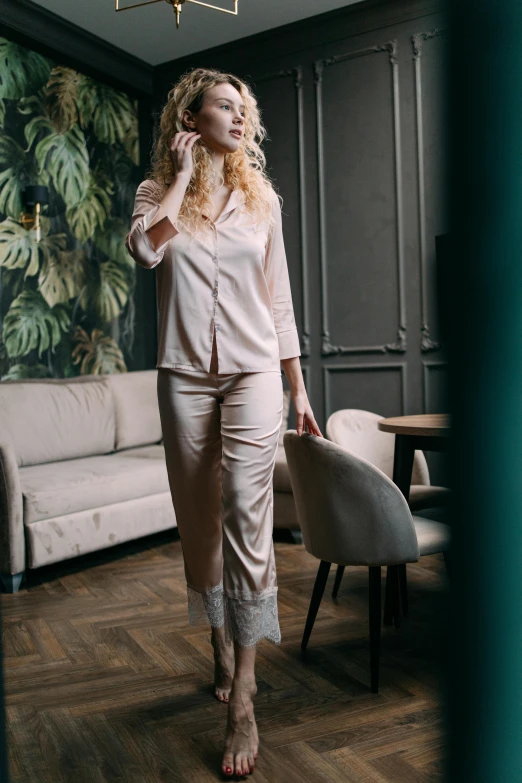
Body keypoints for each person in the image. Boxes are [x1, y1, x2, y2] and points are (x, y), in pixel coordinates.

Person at [126, 67, 322, 778]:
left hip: (252, 375)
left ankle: (243, 690)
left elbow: (280, 304)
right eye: (226, 107)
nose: (240, 119)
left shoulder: (259, 199)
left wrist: (298, 389)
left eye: (245, 111)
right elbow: (146, 248)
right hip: (183, 376)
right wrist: (181, 176)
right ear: (191, 114)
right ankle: (216, 632)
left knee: (246, 510)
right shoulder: (156, 195)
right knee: (199, 520)